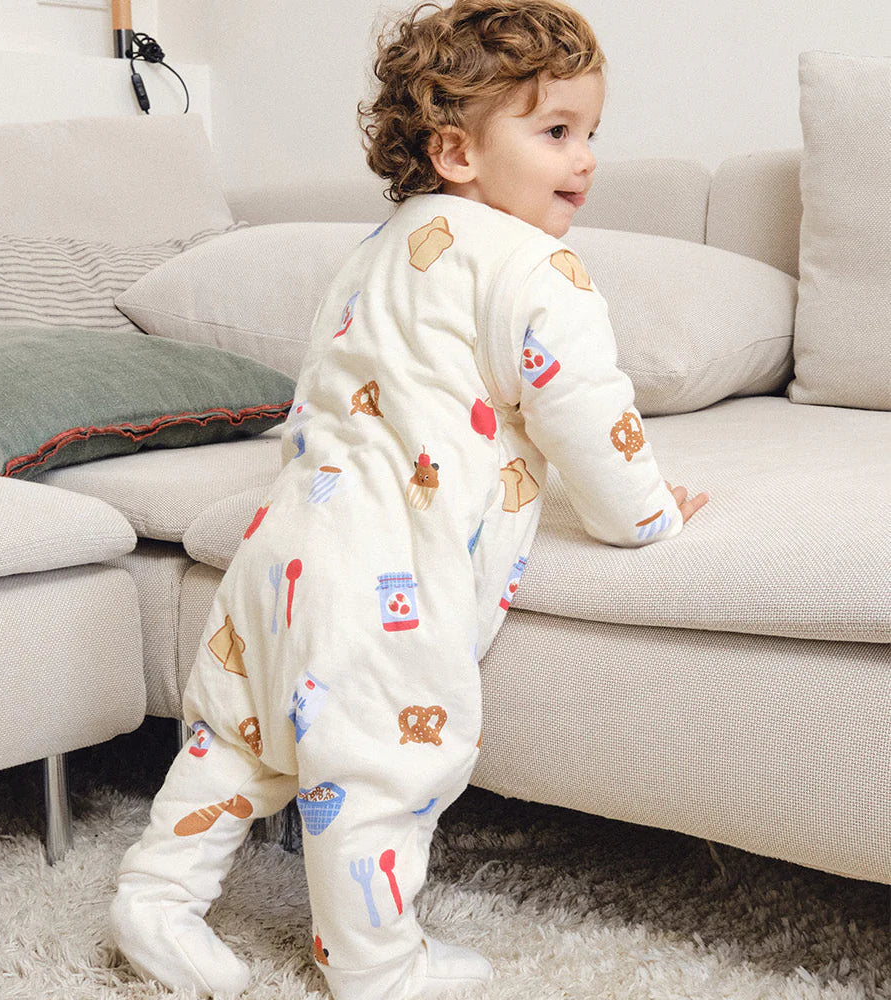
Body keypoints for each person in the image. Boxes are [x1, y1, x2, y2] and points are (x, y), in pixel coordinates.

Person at [110, 2, 709, 998]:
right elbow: (586, 412)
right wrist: (647, 514)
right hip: (388, 571)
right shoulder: (538, 267)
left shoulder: (375, 250)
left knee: (232, 741)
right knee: (379, 768)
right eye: (556, 131)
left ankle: (156, 896)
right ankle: (375, 964)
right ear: (456, 151)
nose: (586, 158)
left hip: (284, 544)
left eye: (590, 132)